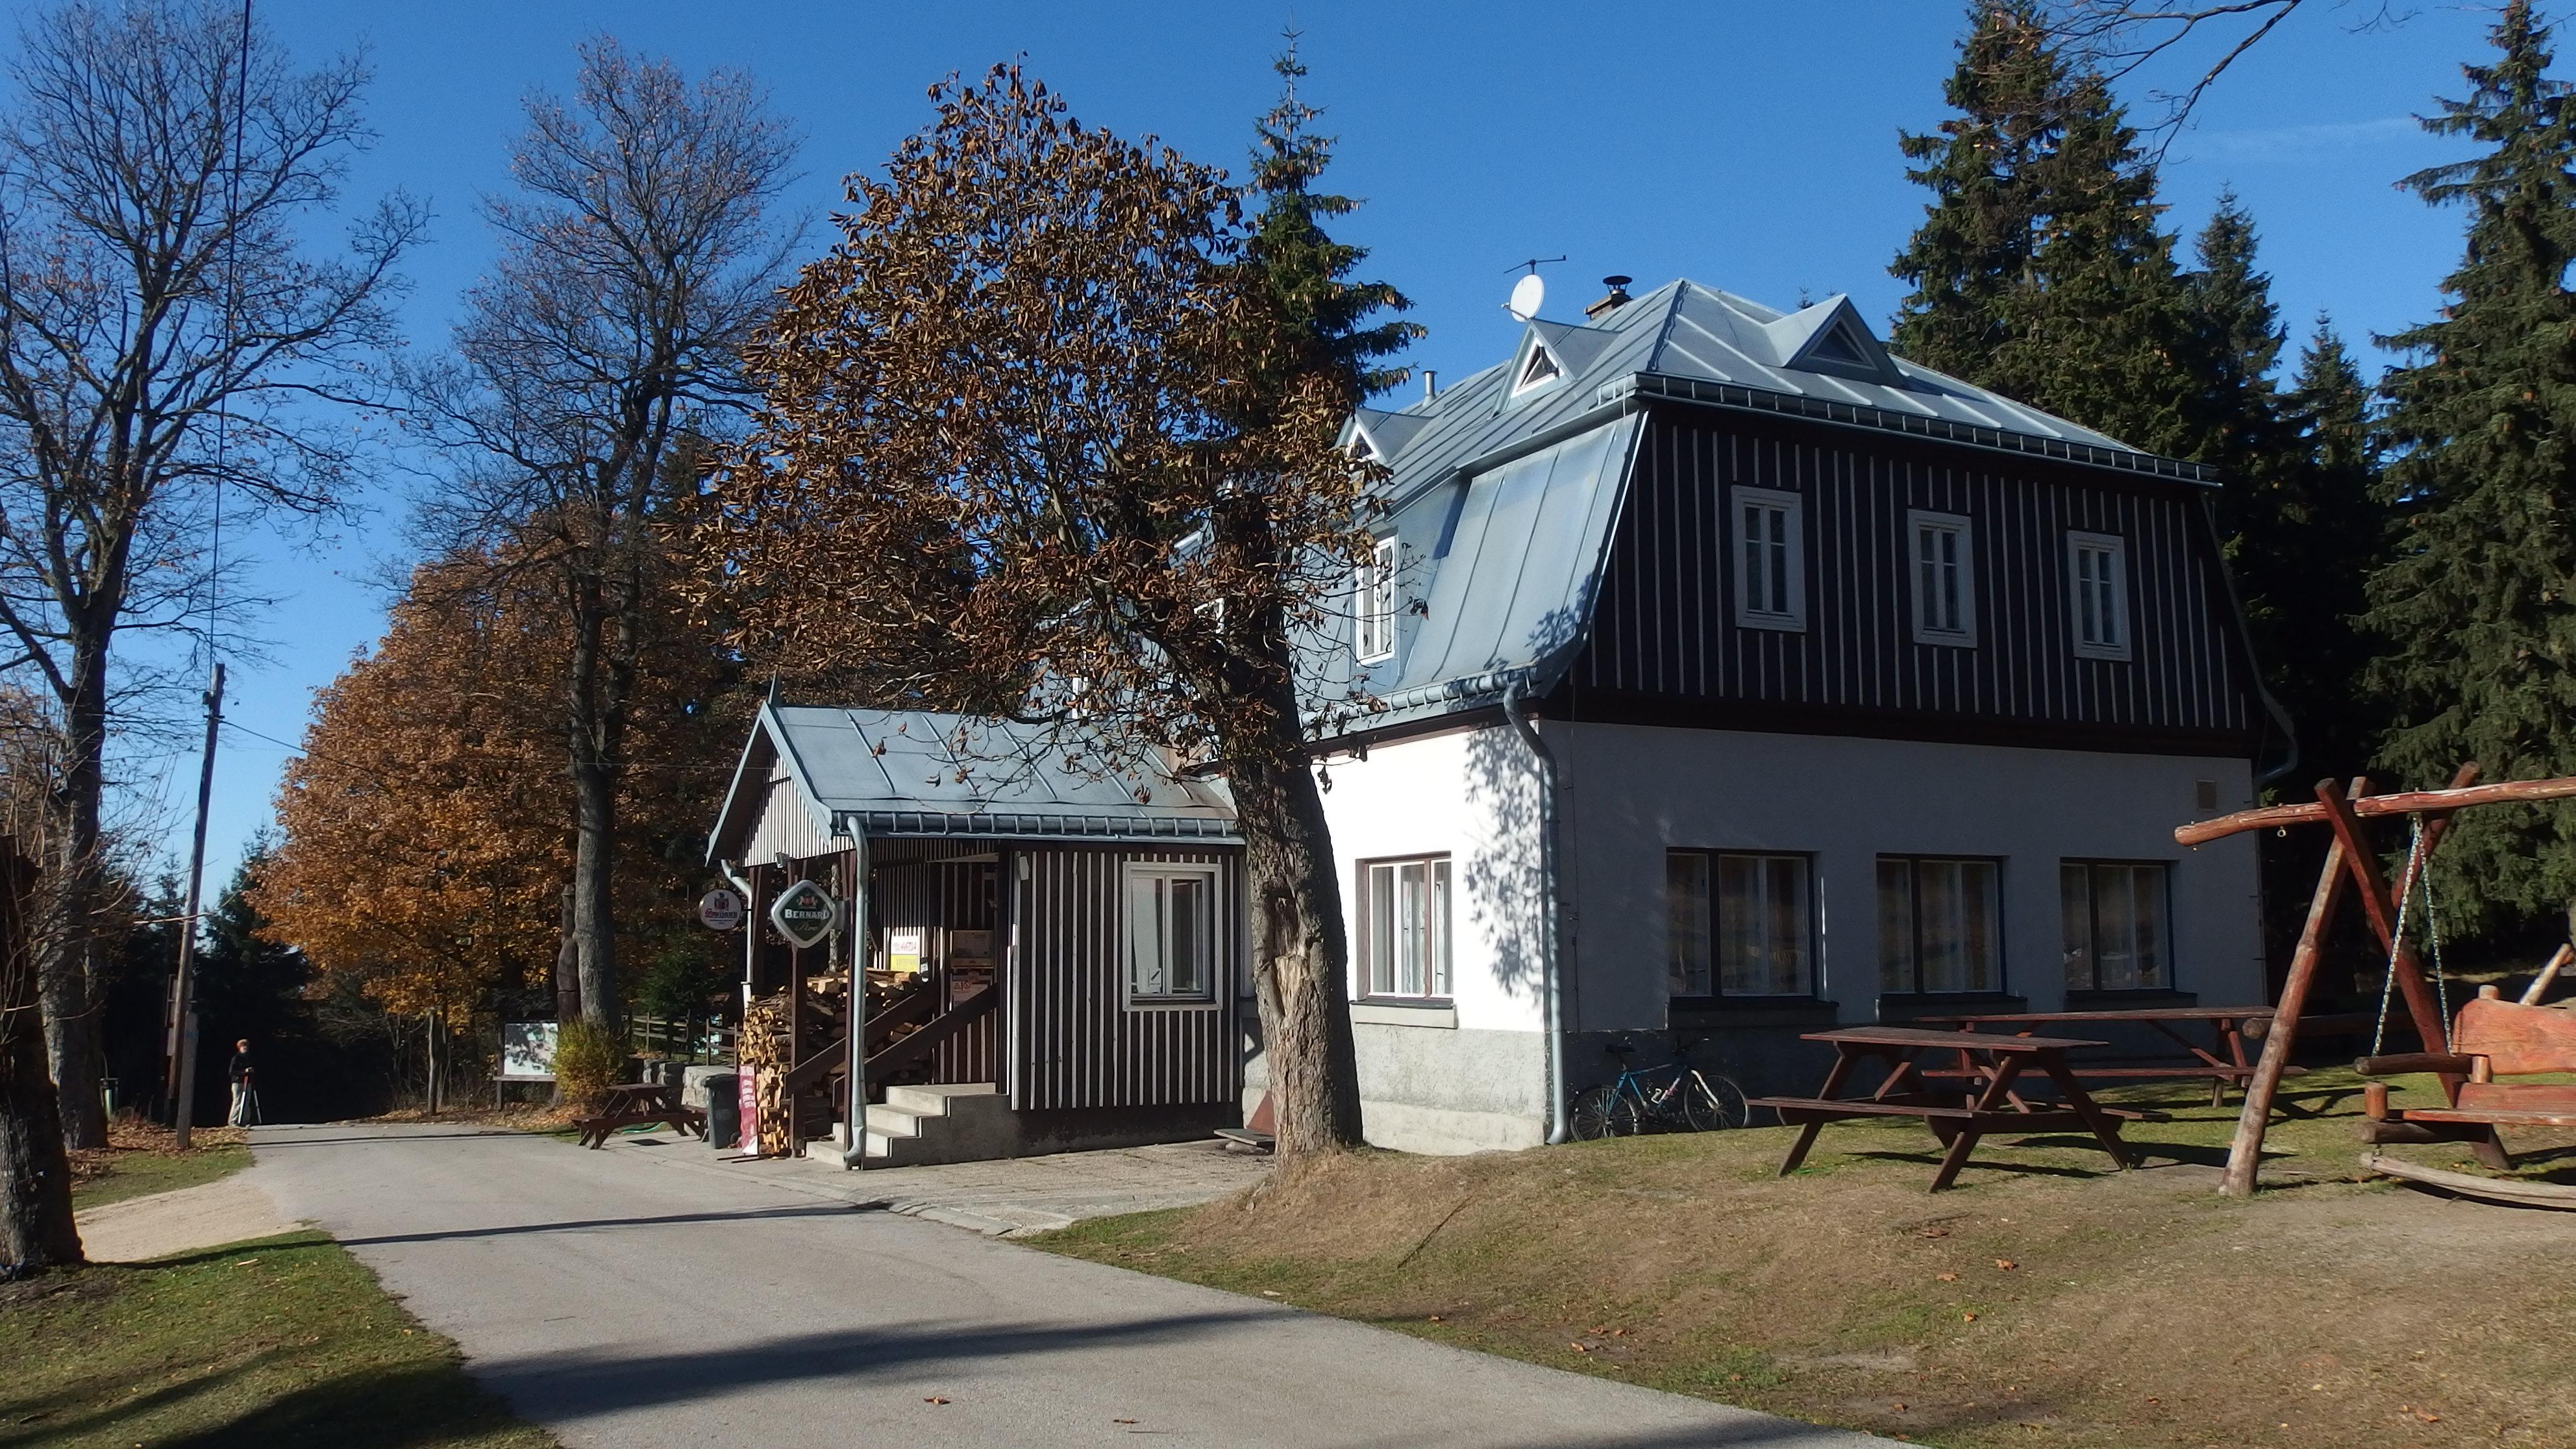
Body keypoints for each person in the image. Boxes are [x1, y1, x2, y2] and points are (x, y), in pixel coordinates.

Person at [227, 1039, 257, 1127]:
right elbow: (231, 1072)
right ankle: (233, 1121)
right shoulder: (236, 1058)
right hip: (237, 1082)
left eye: (246, 1046)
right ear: (239, 1048)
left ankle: (245, 1121)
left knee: (247, 1101)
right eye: (243, 1046)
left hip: (248, 1082)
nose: (245, 1048)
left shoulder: (250, 1057)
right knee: (237, 1101)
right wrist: (244, 1072)